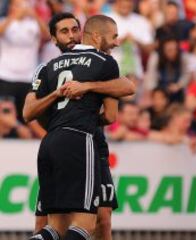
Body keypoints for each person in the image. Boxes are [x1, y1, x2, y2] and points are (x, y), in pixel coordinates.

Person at [23, 13, 135, 240]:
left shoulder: (51, 67)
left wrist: (86, 86)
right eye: (64, 31)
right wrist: (61, 98)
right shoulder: (101, 62)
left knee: (90, 222)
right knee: (83, 222)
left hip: (76, 143)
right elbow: (116, 107)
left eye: (75, 29)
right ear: (53, 39)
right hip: (80, 140)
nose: (72, 35)